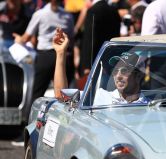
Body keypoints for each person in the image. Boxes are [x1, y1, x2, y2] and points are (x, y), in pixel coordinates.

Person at [11, 0, 74, 147]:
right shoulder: (68, 16)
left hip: (45, 56)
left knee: (37, 94)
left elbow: (26, 37)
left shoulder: (39, 14)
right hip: (65, 56)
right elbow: (71, 34)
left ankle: (28, 131)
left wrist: (18, 39)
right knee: (67, 97)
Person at [53, 28, 149, 104]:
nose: (118, 76)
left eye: (124, 71)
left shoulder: (151, 105)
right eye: (115, 71)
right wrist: (61, 52)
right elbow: (61, 96)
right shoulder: (99, 96)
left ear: (139, 75)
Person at [79, 0, 121, 89]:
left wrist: (86, 66)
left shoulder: (93, 10)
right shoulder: (113, 10)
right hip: (111, 60)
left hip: (96, 62)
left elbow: (90, 39)